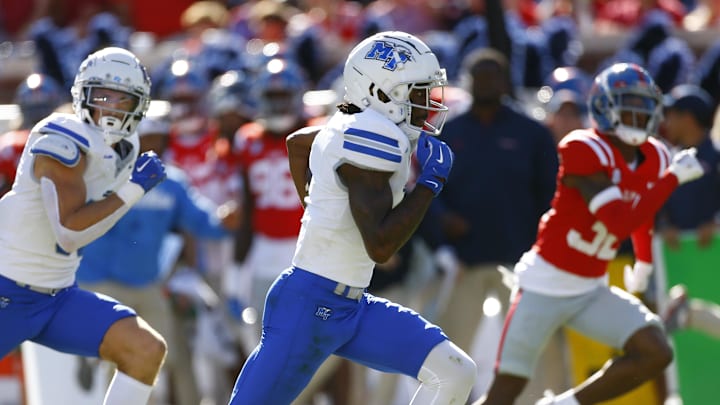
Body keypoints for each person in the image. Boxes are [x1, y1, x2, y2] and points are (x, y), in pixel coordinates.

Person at [227, 30, 477, 404]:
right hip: (311, 305)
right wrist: (429, 184)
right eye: (419, 92)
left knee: (455, 371)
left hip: (351, 304)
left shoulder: (357, 125)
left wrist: (317, 204)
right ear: (381, 93)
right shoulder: (373, 135)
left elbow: (298, 143)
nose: (429, 104)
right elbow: (380, 245)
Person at [475, 62, 706, 405]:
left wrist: (642, 262)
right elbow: (619, 222)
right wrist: (672, 179)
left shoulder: (654, 155)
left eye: (645, 105)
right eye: (630, 102)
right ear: (604, 105)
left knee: (655, 350)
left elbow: (641, 207)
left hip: (589, 288)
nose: (638, 112)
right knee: (506, 389)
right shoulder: (584, 149)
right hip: (544, 284)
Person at [0, 47, 168, 405]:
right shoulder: (61, 137)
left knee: (145, 349)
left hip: (57, 293)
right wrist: (135, 189)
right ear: (82, 96)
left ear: (139, 105)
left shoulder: (126, 148)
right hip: (7, 288)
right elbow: (70, 231)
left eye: (121, 99)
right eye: (102, 96)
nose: (109, 107)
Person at [75, 116, 241, 405]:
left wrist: (223, 219)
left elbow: (201, 219)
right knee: (120, 360)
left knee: (158, 355)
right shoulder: (104, 176)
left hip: (147, 282)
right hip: (102, 283)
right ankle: (87, 359)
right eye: (146, 137)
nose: (152, 144)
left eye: (158, 138)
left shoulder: (172, 182)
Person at [433, 47, 561, 402]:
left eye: (494, 75)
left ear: (506, 81)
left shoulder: (531, 133)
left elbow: (553, 195)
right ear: (468, 81)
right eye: (480, 75)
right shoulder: (450, 131)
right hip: (464, 263)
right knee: (447, 351)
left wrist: (543, 253)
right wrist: (444, 222)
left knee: (532, 351)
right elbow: (429, 191)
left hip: (520, 262)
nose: (487, 82)